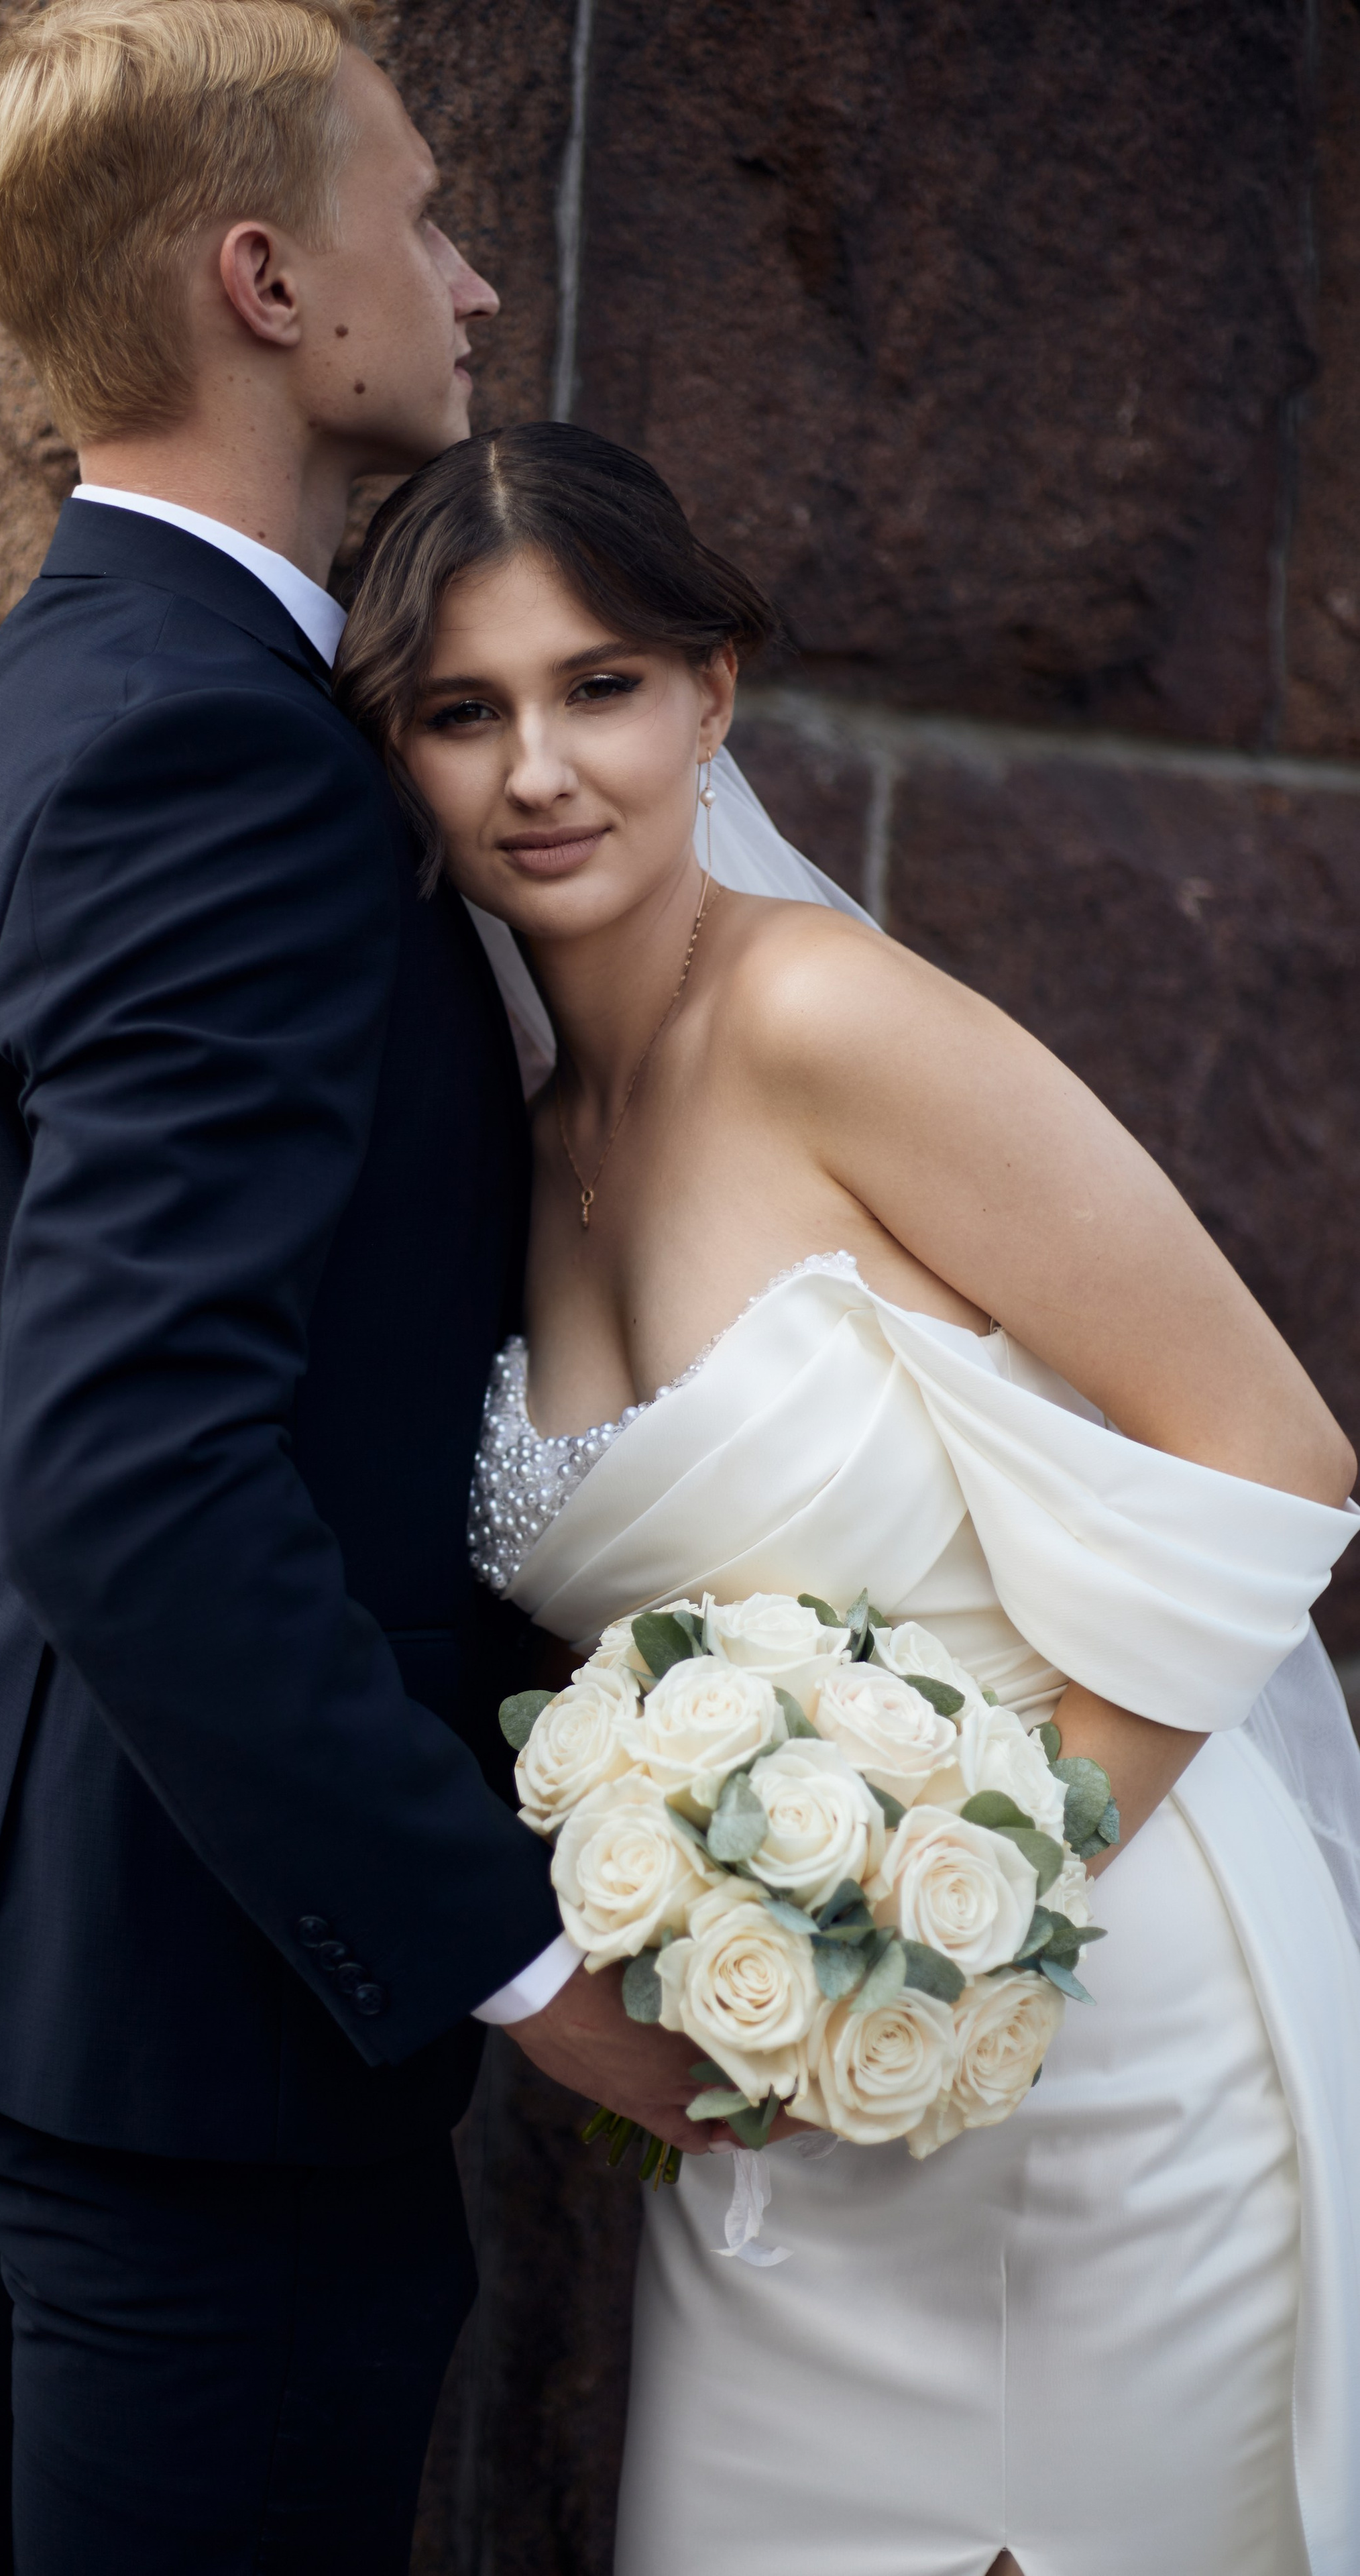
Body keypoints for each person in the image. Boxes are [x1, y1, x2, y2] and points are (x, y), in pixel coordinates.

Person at [334, 420, 1360, 2576]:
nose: (539, 767)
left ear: (716, 693)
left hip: (1093, 2039)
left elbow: (1273, 1445)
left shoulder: (824, 1018)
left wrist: (962, 1908)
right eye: (463, 711)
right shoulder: (525, 1147)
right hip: (785, 2114)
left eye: (600, 685)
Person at [0, 15, 700, 2570]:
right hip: (208, 2037)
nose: (465, 284)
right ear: (261, 277)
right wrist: (520, 1960)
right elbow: (135, 1467)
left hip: (70, 1961)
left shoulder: (98, 669)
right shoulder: (210, 747)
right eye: (423, 218)